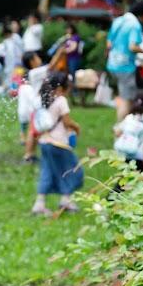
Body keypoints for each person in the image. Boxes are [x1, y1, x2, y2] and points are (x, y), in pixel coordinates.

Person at [32, 72, 82, 216]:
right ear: (61, 88)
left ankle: (39, 204)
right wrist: (76, 127)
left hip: (44, 142)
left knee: (47, 171)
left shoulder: (41, 99)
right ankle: (66, 200)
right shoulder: (61, 101)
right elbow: (66, 122)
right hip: (59, 143)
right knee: (71, 170)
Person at [106, 1, 143, 121]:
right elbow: (132, 47)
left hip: (112, 64)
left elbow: (109, 44)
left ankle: (126, 125)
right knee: (127, 100)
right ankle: (120, 129)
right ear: (142, 14)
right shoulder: (134, 25)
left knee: (123, 96)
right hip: (125, 66)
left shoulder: (118, 21)